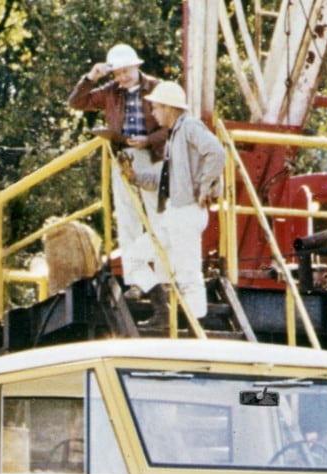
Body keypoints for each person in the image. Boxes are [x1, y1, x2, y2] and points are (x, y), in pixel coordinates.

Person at [68, 44, 167, 297]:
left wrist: (149, 140)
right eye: (117, 73)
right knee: (127, 220)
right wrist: (91, 78)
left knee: (158, 218)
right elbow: (77, 102)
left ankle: (164, 278)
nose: (122, 77)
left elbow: (175, 124)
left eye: (126, 71)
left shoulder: (157, 88)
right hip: (123, 156)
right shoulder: (112, 91)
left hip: (154, 157)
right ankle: (139, 282)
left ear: (137, 66)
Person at [126, 81, 225, 321]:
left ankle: (196, 328)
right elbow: (165, 180)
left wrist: (205, 186)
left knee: (188, 277)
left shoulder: (190, 126)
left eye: (156, 108)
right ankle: (163, 310)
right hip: (174, 214)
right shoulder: (174, 137)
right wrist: (135, 177)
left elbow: (217, 152)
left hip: (187, 213)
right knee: (134, 257)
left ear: (169, 108)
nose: (153, 114)